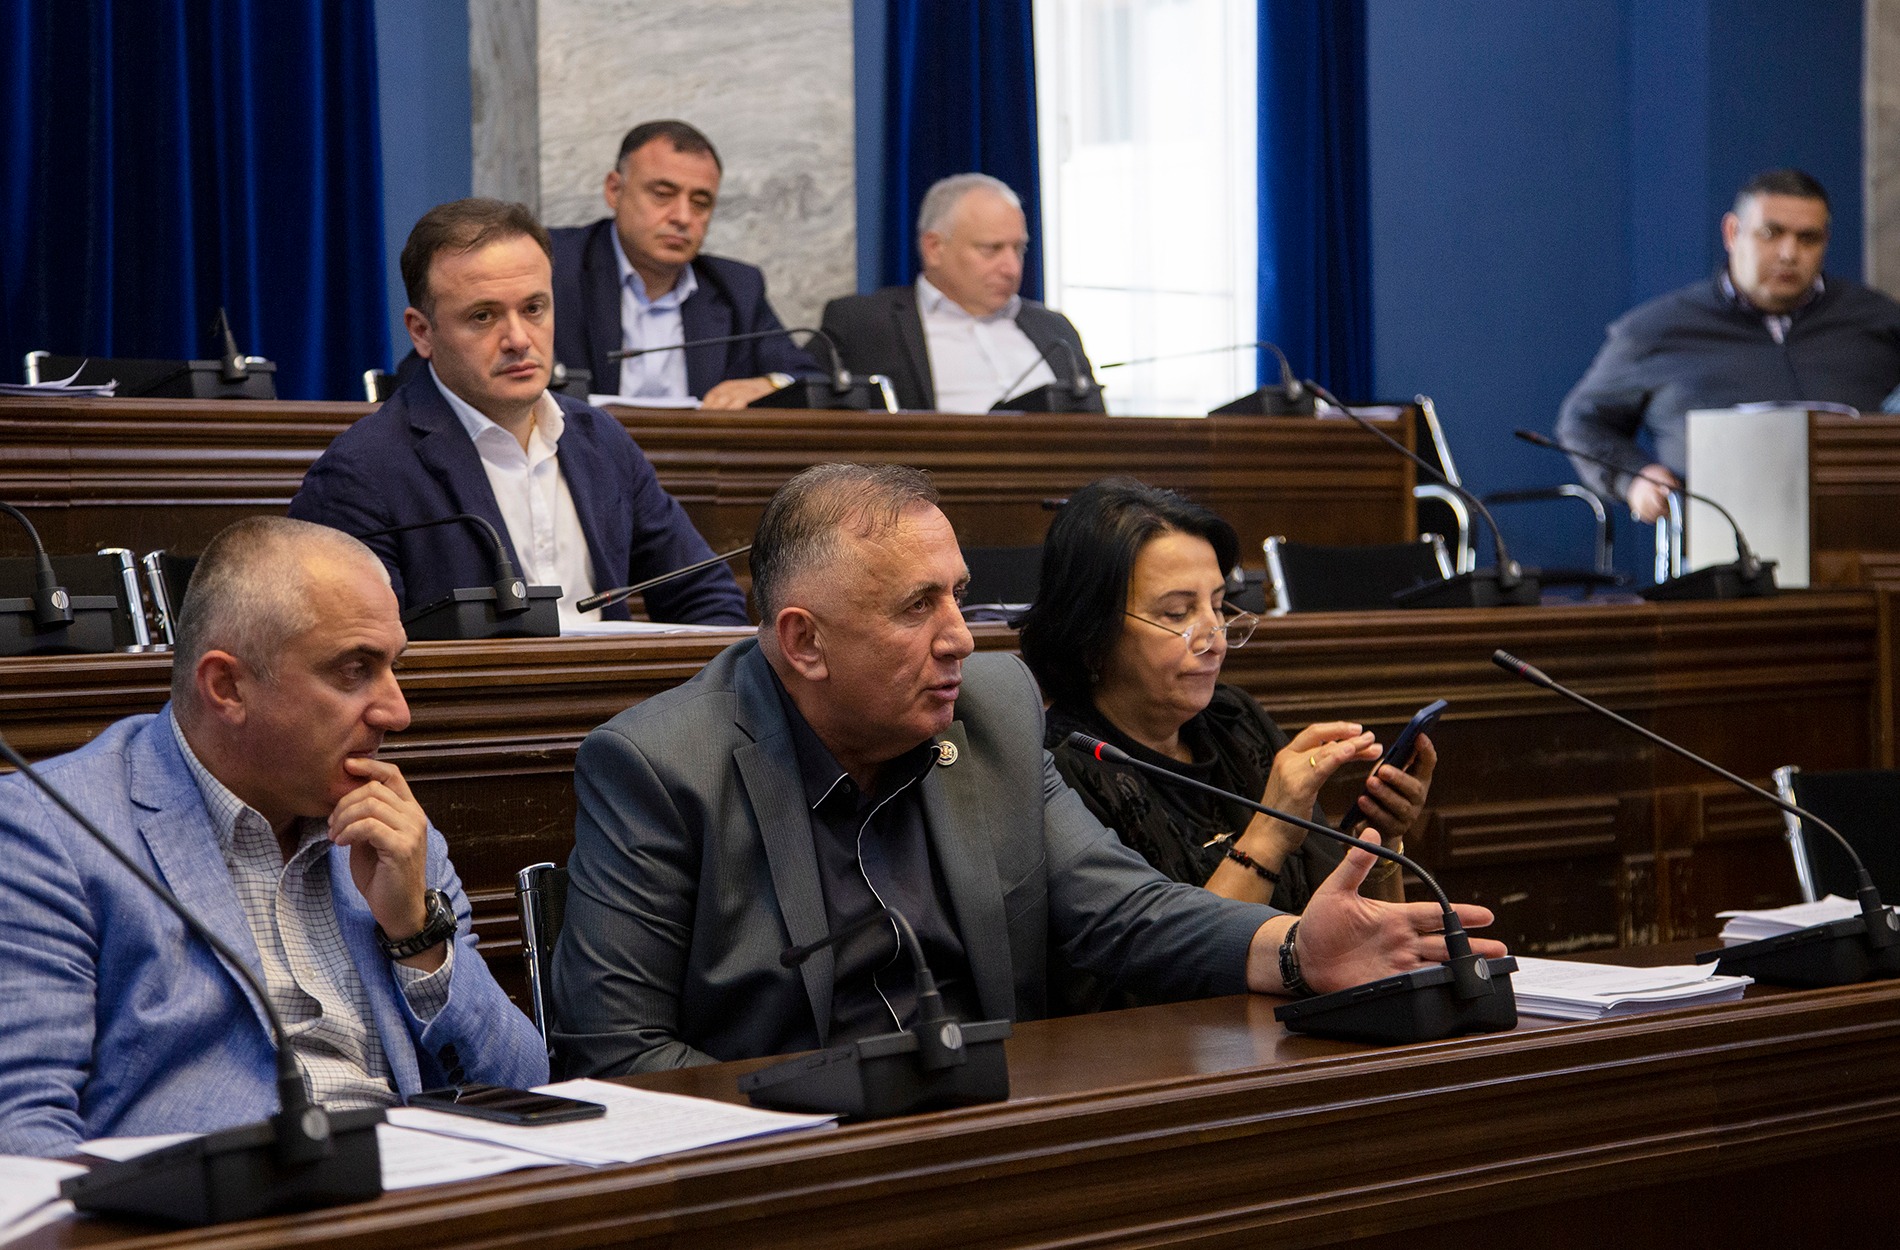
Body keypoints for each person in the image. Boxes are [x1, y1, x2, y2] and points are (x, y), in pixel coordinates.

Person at [550, 463, 1503, 1075]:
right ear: (804, 642)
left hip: (991, 1133)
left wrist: (1294, 949)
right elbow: (616, 1053)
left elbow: (1121, 908)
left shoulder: (992, 710)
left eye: (959, 597)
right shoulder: (659, 766)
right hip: (785, 1173)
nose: (961, 639)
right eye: (917, 608)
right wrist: (814, 1120)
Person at [0, 517, 547, 1156]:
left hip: (417, 1184)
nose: (397, 712)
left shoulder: (391, 831)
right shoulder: (52, 831)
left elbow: (527, 1091)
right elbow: (20, 1133)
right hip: (208, 1197)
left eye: (394, 667)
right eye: (354, 670)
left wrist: (417, 936)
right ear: (227, 687)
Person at [290, 197, 748, 629]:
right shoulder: (362, 473)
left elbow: (706, 596)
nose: (519, 339)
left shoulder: (600, 439)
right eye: (483, 316)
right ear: (422, 332)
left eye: (533, 308)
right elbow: (360, 651)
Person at [1018, 479, 1432, 919]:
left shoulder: (1235, 719)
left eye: (1217, 606)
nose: (1215, 641)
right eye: (1177, 614)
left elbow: (1346, 931)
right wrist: (1270, 831)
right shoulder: (1063, 769)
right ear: (1090, 631)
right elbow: (1172, 952)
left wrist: (1377, 845)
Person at [1557, 168, 1900, 522]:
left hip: (1865, 536)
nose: (1789, 253)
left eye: (1807, 238)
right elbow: (1584, 421)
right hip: (1718, 542)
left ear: (1825, 241)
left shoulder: (1878, 320)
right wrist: (1635, 480)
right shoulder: (1657, 330)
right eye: (1771, 233)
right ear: (1733, 232)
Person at [549, 119, 820, 408]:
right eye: (662, 195)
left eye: (700, 202)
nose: (682, 217)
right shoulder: (552, 266)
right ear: (615, 190)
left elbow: (812, 380)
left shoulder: (736, 288)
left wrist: (769, 384)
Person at [820, 174, 1104, 413]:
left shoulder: (1055, 330)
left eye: (1019, 249)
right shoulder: (862, 324)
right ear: (934, 248)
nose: (1012, 268)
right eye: (991, 249)